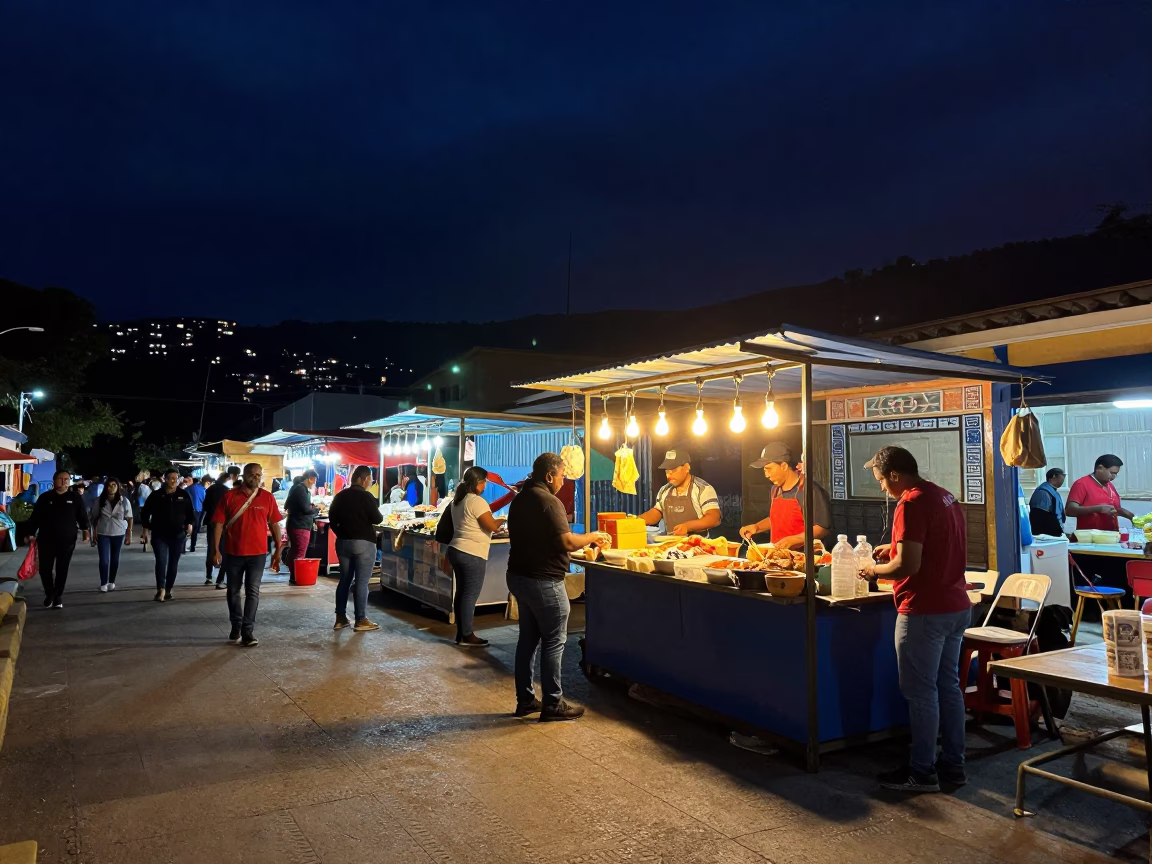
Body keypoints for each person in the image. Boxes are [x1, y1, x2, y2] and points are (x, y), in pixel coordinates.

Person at [857, 446, 970, 793]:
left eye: (881, 480)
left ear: (894, 474)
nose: (881, 488)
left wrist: (873, 569)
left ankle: (922, 772)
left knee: (921, 694)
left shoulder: (911, 503)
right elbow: (934, 545)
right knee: (948, 687)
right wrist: (893, 548)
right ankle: (954, 766)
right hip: (956, 605)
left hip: (924, 609)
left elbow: (907, 566)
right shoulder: (944, 496)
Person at [506, 453, 610, 722]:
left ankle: (525, 700)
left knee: (528, 640)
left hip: (519, 577)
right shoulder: (549, 501)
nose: (563, 481)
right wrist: (593, 536)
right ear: (549, 475)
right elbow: (566, 542)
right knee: (554, 641)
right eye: (562, 476)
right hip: (543, 581)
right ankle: (553, 704)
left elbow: (544, 541)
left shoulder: (520, 499)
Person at [210, 463, 283, 647]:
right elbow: (218, 523)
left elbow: (275, 523)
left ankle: (247, 630)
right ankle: (236, 624)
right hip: (233, 552)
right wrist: (215, 549)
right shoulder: (229, 496)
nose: (255, 477)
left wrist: (278, 549)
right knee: (233, 590)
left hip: (258, 554)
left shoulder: (267, 497)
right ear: (244, 475)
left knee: (253, 591)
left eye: (258, 474)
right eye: (251, 474)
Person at [446, 467, 506, 646]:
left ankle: (461, 633)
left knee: (462, 593)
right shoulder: (477, 501)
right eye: (485, 481)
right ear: (478, 482)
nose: (485, 485)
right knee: (470, 594)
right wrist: (503, 519)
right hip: (471, 552)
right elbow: (492, 526)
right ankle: (467, 635)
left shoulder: (458, 500)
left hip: (456, 549)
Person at [739, 442, 832, 550]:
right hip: (778, 555)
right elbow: (777, 519)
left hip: (803, 556)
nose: (766, 475)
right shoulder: (775, 490)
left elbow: (822, 528)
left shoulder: (809, 490)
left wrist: (795, 539)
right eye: (764, 470)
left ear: (783, 466)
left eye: (769, 469)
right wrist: (757, 527)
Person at [23, 469, 89, 608]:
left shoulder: (75, 497)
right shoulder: (45, 497)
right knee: (45, 569)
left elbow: (82, 515)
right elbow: (36, 517)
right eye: (61, 479)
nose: (64, 481)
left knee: (62, 569)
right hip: (46, 539)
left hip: (67, 540)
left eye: (67, 479)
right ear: (54, 481)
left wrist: (86, 530)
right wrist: (30, 533)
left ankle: (58, 596)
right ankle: (49, 594)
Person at [327, 466, 382, 632]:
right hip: (364, 543)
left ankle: (340, 618)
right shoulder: (366, 496)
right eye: (370, 479)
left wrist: (341, 533)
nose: (371, 483)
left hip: (343, 543)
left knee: (344, 580)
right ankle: (361, 619)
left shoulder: (340, 496)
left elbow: (332, 519)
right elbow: (378, 518)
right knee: (362, 582)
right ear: (363, 479)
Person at [640, 447, 721, 537]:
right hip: (671, 543)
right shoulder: (664, 490)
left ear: (686, 467)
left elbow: (714, 518)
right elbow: (658, 512)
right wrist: (638, 520)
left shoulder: (703, 489)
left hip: (697, 543)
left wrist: (687, 526)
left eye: (674, 470)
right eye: (667, 470)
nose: (669, 474)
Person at [140, 468, 195, 602]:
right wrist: (146, 529)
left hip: (178, 535)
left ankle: (168, 589)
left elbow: (190, 513)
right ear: (165, 479)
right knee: (161, 561)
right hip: (159, 535)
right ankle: (161, 589)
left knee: (173, 563)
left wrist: (189, 525)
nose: (173, 481)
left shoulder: (184, 495)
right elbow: (145, 513)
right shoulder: (156, 495)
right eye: (170, 478)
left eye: (175, 479)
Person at [1066, 455, 1134, 532]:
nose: (1114, 476)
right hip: (1090, 536)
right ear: (1100, 468)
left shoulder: (1110, 486)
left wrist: (1131, 516)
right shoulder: (1082, 484)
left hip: (1110, 535)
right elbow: (1069, 511)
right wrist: (1098, 509)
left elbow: (1115, 509)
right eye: (1112, 473)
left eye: (1116, 474)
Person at [89, 477, 132, 592]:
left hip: (119, 533)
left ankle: (112, 581)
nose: (111, 487)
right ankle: (104, 583)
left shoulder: (124, 501)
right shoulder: (99, 501)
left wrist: (129, 535)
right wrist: (93, 533)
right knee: (104, 560)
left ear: (118, 487)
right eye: (109, 485)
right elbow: (94, 518)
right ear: (105, 487)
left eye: (114, 485)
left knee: (115, 559)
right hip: (103, 533)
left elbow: (129, 518)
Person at [285, 470, 320, 583]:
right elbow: (306, 509)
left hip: (295, 524)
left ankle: (294, 576)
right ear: (310, 479)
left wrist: (310, 506)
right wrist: (317, 509)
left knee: (295, 551)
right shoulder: (301, 489)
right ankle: (297, 577)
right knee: (299, 552)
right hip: (300, 525)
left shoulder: (296, 488)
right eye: (314, 480)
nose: (314, 483)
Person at [202, 473, 230, 586]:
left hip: (211, 523)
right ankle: (220, 579)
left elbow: (205, 506)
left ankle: (209, 576)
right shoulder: (227, 491)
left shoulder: (210, 489)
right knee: (224, 550)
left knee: (211, 549)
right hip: (223, 523)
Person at [1028, 468, 1067, 538]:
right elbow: (1040, 516)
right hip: (1047, 535)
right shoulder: (1043, 492)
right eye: (1063, 476)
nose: (1064, 479)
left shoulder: (1053, 491)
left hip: (1054, 533)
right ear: (1054, 476)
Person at [187, 475, 209, 552]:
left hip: (189, 511)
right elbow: (205, 500)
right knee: (195, 529)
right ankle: (193, 546)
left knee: (188, 527)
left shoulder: (188, 488)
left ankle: (183, 547)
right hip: (198, 511)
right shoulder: (203, 489)